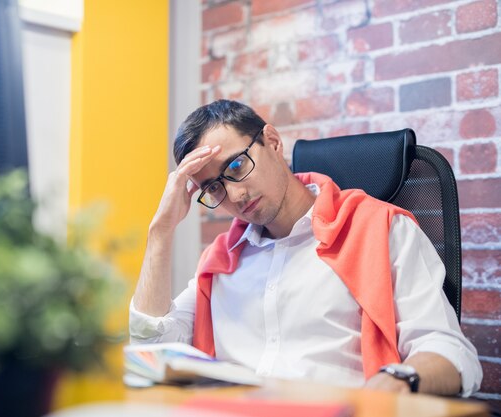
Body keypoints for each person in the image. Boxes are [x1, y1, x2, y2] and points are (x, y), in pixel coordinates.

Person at [130, 99, 482, 396]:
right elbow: (151, 348)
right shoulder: (221, 262)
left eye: (237, 166)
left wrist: (396, 381)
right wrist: (160, 232)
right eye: (214, 188)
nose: (234, 195)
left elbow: (452, 352)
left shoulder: (380, 229)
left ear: (272, 140)